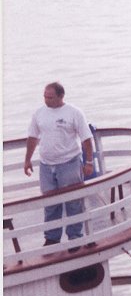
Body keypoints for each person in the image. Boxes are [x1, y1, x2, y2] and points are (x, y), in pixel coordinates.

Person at [24, 82, 95, 245]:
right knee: (50, 204)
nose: (46, 100)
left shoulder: (74, 113)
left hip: (69, 162)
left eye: (50, 97)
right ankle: (52, 238)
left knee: (73, 202)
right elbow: (32, 137)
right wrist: (27, 159)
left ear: (60, 96)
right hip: (46, 165)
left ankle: (75, 238)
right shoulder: (39, 113)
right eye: (44, 96)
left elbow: (86, 138)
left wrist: (89, 162)